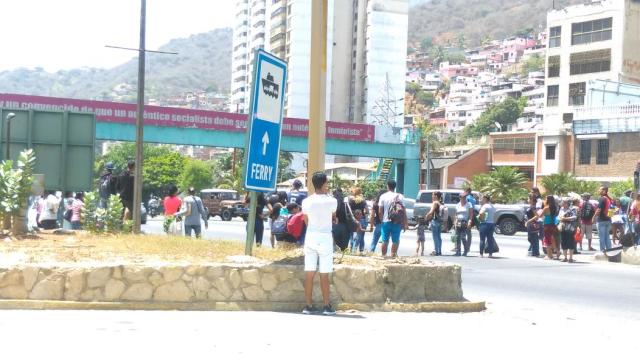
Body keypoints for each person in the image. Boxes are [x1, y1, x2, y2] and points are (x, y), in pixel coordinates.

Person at [301, 171, 338, 316]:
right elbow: (333, 215)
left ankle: (308, 306)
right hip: (325, 237)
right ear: (323, 184)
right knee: (324, 274)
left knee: (309, 273)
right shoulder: (332, 201)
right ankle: (326, 306)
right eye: (327, 183)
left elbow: (306, 220)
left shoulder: (306, 201)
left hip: (310, 235)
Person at [378, 180, 407, 257]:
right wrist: (405, 223)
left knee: (384, 240)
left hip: (385, 221)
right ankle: (393, 256)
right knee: (395, 240)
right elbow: (403, 211)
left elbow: (380, 211)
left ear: (387, 186)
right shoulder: (400, 196)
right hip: (397, 221)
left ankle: (383, 255)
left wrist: (382, 220)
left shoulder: (383, 196)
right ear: (395, 186)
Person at [425, 191, 446, 256]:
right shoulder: (441, 203)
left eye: (433, 195)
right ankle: (439, 251)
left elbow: (431, 212)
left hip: (435, 221)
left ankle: (436, 251)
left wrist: (426, 216)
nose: (432, 196)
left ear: (436, 196)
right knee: (439, 236)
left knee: (435, 237)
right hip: (440, 221)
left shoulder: (435, 203)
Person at [593, 186, 612, 252]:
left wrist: (593, 217)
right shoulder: (609, 199)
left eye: (600, 189)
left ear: (604, 191)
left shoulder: (602, 199)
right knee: (607, 236)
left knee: (601, 237)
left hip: (601, 220)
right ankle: (609, 250)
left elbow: (598, 210)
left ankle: (602, 251)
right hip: (608, 219)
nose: (598, 190)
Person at [558, 198, 578, 263]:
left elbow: (574, 217)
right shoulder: (561, 209)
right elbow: (559, 217)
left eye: (564, 202)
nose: (562, 203)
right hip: (563, 227)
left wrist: (565, 218)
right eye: (563, 202)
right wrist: (561, 218)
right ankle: (565, 257)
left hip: (570, 227)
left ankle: (571, 258)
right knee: (563, 242)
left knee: (570, 242)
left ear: (568, 203)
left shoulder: (572, 209)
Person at [542, 195, 559, 260]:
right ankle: (557, 251)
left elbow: (541, 215)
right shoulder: (555, 207)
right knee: (552, 239)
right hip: (553, 224)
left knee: (547, 240)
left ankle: (549, 255)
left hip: (547, 225)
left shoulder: (546, 208)